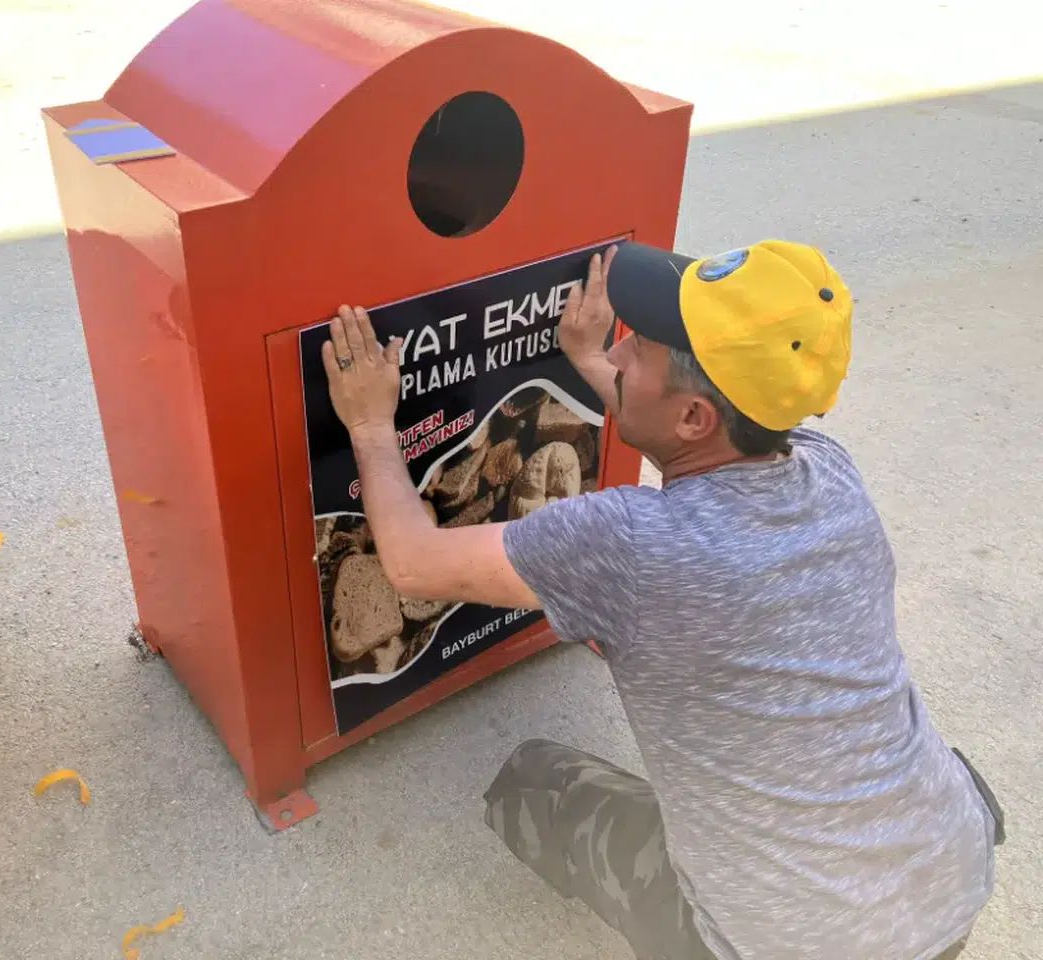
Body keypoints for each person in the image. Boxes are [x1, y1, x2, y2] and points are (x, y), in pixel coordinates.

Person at [320, 238, 1004, 960]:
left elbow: (412, 563)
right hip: (949, 883)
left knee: (534, 784)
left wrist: (369, 423)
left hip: (788, 944)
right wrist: (584, 357)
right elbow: (698, 442)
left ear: (693, 419)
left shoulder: (631, 545)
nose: (614, 358)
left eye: (636, 349)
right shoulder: (828, 471)